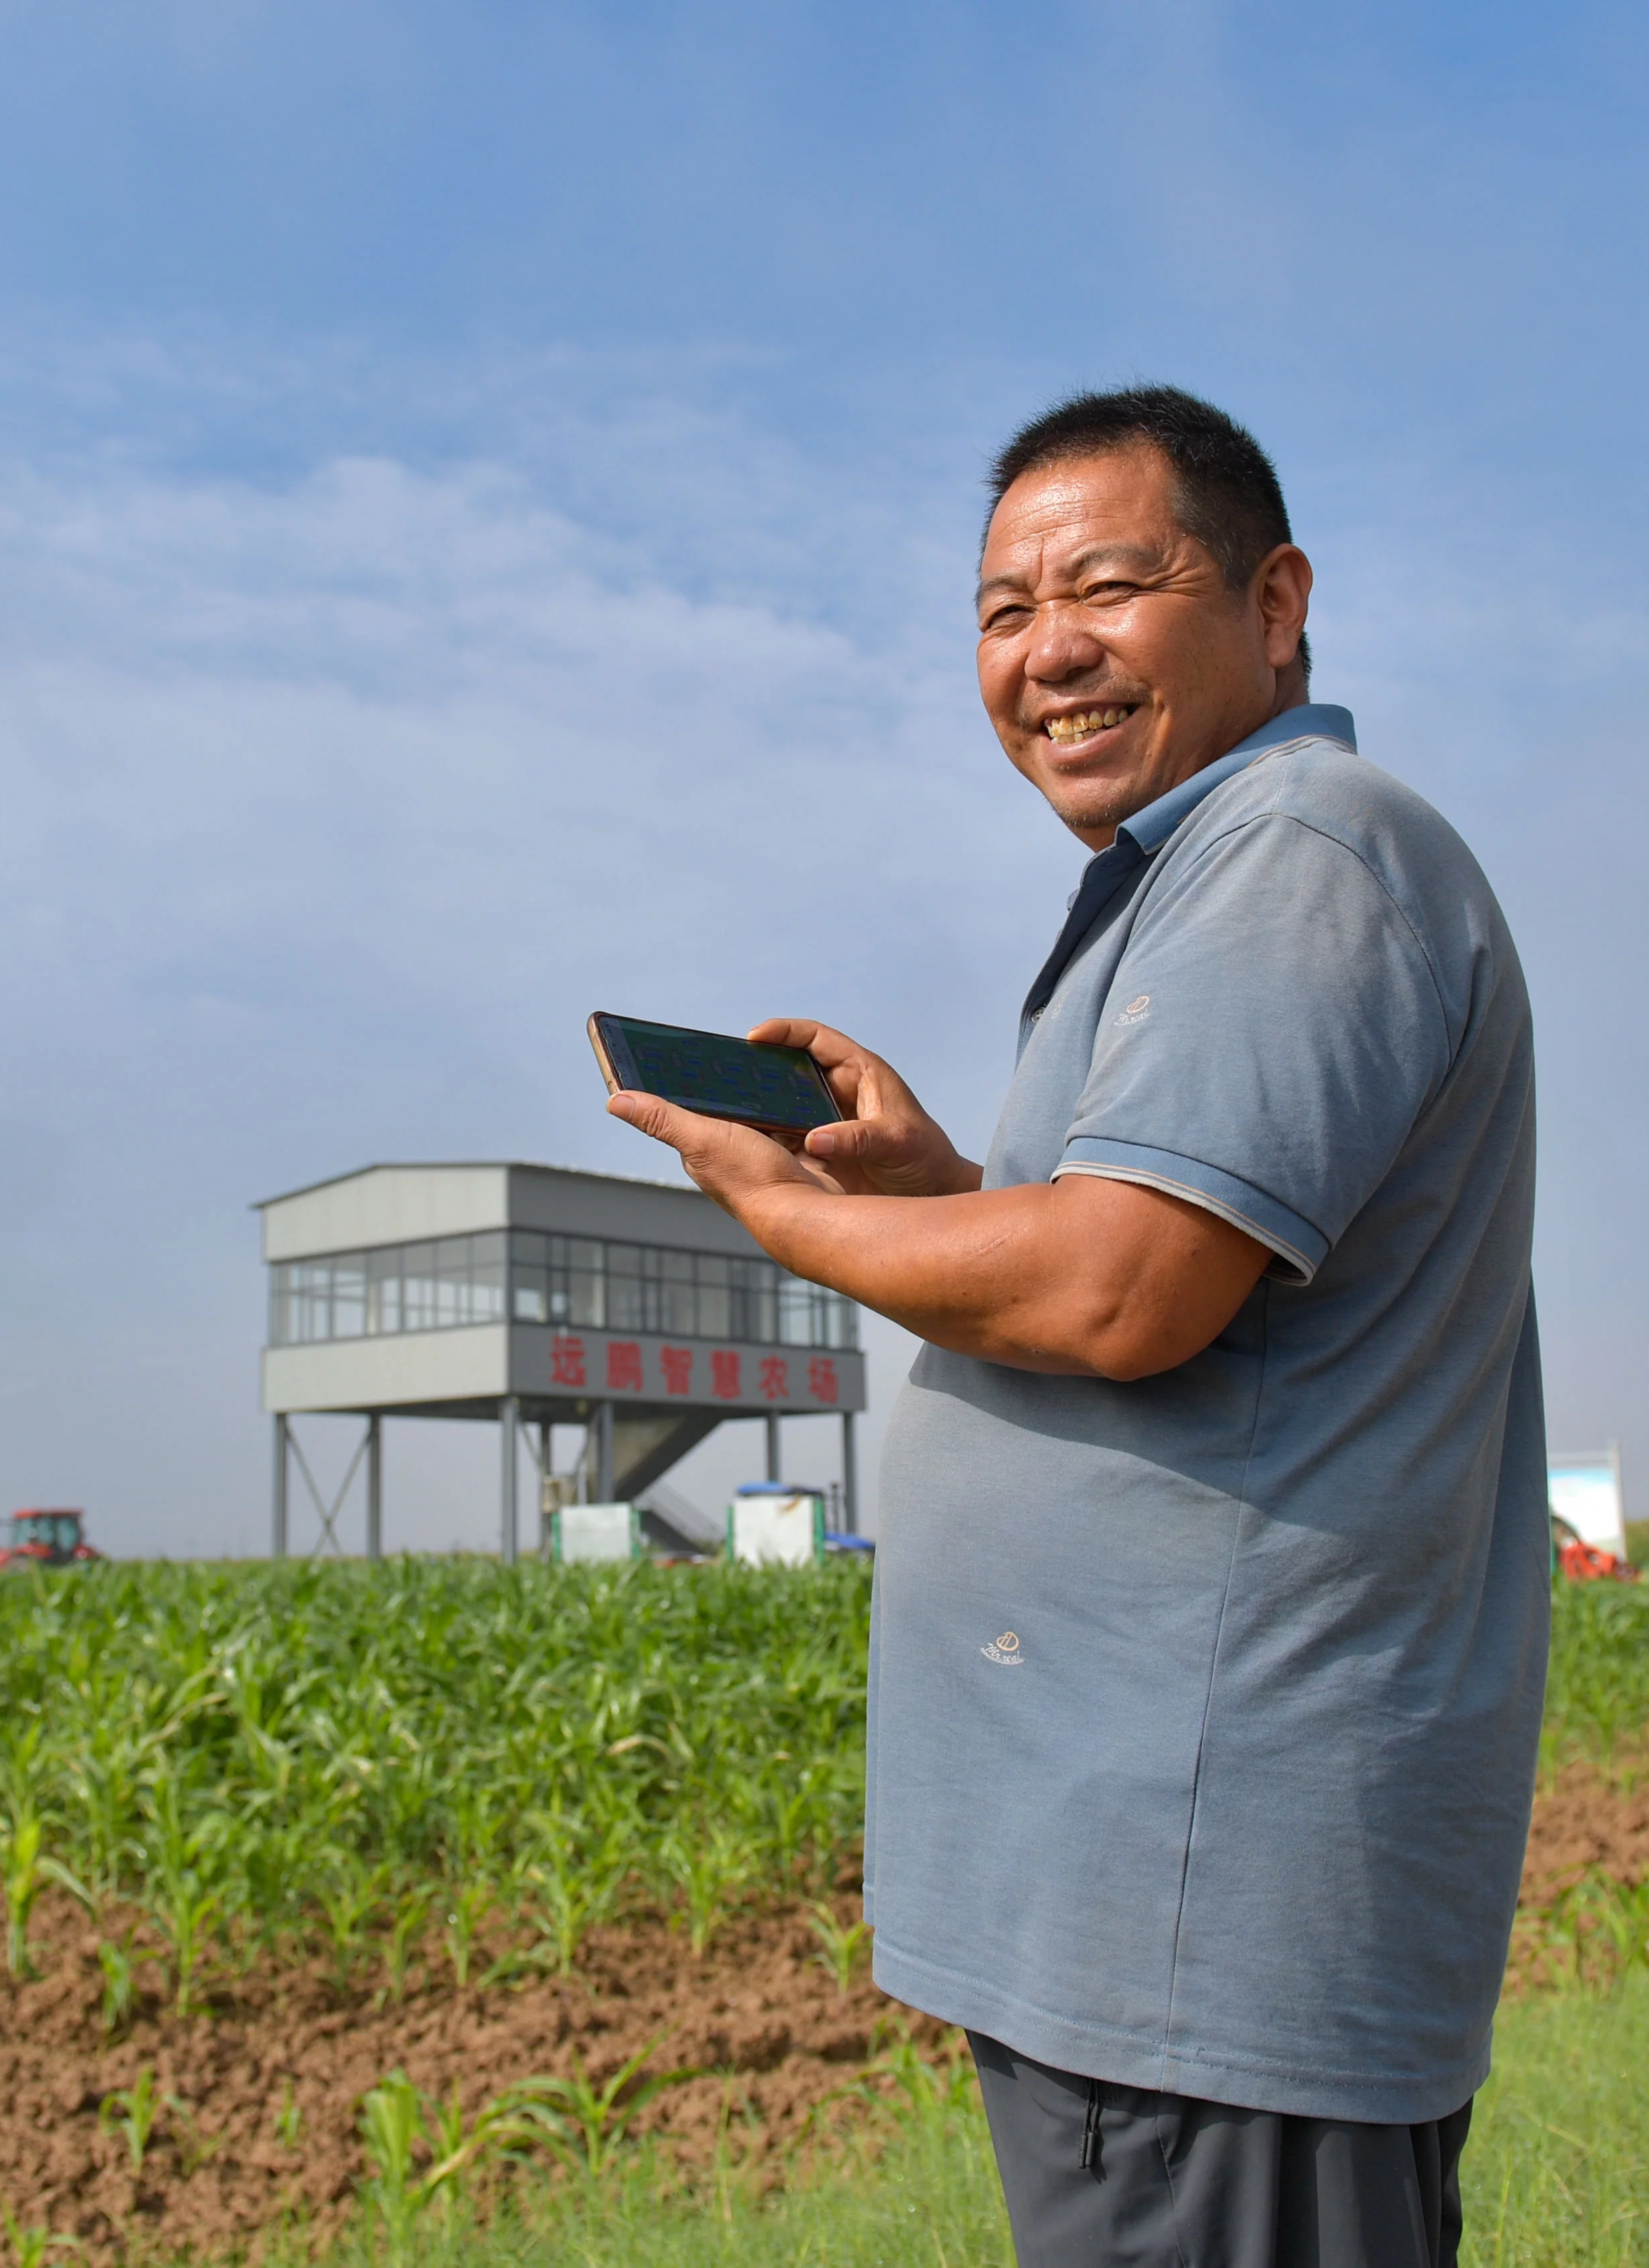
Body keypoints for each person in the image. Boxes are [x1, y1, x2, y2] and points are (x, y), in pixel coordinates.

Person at [608, 385, 1547, 2268]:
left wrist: (793, 1218)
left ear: (1273, 604)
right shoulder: (1194, 880)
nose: (1047, 652)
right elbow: (1119, 1247)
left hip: (1197, 1908)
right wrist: (931, 1185)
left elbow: (1121, 1290)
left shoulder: (1303, 851)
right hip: (1142, 1911)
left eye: (1107, 586)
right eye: (998, 611)